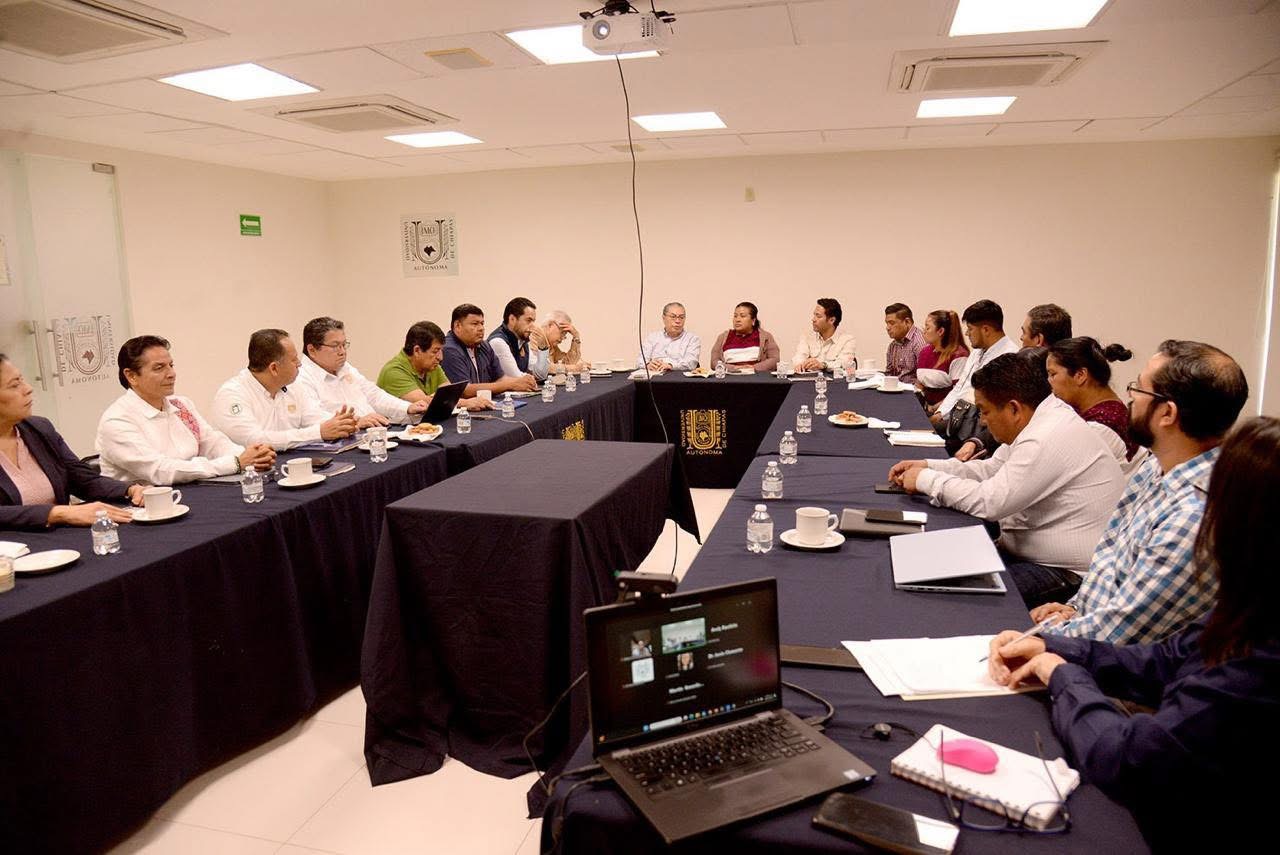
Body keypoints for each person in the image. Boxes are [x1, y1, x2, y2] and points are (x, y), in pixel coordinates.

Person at [985, 416, 1280, 852]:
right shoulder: (1255, 602)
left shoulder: (1259, 659)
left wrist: (1062, 675)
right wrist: (1051, 645)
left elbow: (1126, 760)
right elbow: (1163, 660)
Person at [1033, 340, 1249, 644]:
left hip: (1112, 664)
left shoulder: (1192, 519)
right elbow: (1110, 559)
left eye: (1138, 388)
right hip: (1089, 636)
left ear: (1167, 414)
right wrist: (1074, 609)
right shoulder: (1156, 466)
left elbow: (1115, 636)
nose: (1130, 397)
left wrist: (1035, 638)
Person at [890, 352, 1125, 607]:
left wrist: (927, 480)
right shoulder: (1040, 418)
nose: (982, 421)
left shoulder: (1045, 436)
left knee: (945, 600)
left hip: (1064, 573)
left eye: (985, 411)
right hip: (1028, 553)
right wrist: (930, 466)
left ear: (1013, 408)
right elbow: (991, 469)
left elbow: (992, 502)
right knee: (924, 563)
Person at [97, 336, 275, 485]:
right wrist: (235, 463)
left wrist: (252, 456)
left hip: (193, 489)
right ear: (131, 376)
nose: (171, 374)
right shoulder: (117, 421)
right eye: (159, 368)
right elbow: (161, 471)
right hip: (144, 507)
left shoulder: (180, 404)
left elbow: (212, 442)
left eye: (171, 365)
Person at [0, 353, 144, 529]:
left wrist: (130, 489)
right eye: (14, 385)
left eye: (22, 380)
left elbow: (83, 480)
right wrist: (58, 513)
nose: (28, 389)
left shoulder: (38, 429)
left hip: (59, 540)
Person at [212, 328, 358, 451]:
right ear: (274, 368)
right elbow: (255, 440)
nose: (299, 364)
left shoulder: (292, 385)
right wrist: (318, 433)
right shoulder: (232, 394)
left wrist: (340, 423)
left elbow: (312, 416)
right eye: (294, 359)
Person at [297, 316, 427, 428]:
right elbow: (313, 418)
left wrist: (407, 408)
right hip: (340, 443)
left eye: (344, 345)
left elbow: (374, 395)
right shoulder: (301, 378)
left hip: (372, 433)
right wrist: (356, 421)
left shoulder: (345, 368)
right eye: (335, 346)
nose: (342, 352)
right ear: (312, 350)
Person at [931, 299, 1018, 453]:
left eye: (970, 329)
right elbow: (960, 386)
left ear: (985, 330)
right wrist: (940, 412)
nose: (967, 333)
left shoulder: (1009, 356)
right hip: (959, 417)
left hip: (978, 426)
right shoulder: (977, 351)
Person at [1046, 337, 1138, 460]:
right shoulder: (1110, 410)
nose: (1049, 381)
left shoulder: (1100, 427)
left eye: (1053, 374)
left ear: (1080, 375)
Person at [376, 321, 492, 411]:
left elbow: (450, 395)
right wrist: (466, 403)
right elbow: (424, 403)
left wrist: (441, 399)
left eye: (441, 350)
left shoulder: (431, 366)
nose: (440, 357)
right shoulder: (393, 372)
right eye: (435, 351)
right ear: (417, 350)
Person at [441, 304, 537, 396]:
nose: (481, 328)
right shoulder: (449, 350)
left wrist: (522, 381)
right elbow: (465, 390)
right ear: (458, 326)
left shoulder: (484, 345)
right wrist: (510, 384)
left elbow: (501, 378)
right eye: (475, 324)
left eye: (482, 323)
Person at [915, 309, 969, 405]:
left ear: (940, 331)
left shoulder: (959, 355)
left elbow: (958, 393)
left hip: (946, 410)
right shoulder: (924, 352)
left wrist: (936, 409)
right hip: (925, 406)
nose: (924, 331)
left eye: (927, 328)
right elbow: (920, 384)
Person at [710, 302, 780, 373]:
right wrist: (733, 368)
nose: (737, 320)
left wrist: (753, 367)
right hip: (729, 378)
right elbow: (714, 362)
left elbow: (775, 360)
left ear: (753, 320)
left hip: (757, 377)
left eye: (742, 316)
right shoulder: (723, 337)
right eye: (735, 316)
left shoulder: (765, 336)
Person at [793, 298, 856, 372]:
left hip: (834, 379)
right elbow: (799, 356)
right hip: (810, 378)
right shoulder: (807, 336)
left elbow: (844, 363)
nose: (813, 319)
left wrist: (823, 365)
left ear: (832, 320)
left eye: (818, 316)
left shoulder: (847, 340)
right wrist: (800, 364)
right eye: (814, 315)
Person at [639, 302, 701, 371]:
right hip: (654, 375)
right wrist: (647, 365)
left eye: (681, 317)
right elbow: (640, 362)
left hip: (678, 376)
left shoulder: (692, 339)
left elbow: (691, 363)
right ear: (664, 318)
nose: (678, 321)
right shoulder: (652, 338)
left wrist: (671, 365)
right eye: (673, 317)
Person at [527, 310, 587, 380]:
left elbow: (568, 363)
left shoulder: (551, 344)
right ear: (550, 325)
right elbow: (544, 368)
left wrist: (576, 336)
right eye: (562, 332)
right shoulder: (534, 336)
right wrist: (574, 368)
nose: (562, 338)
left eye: (565, 334)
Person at [487, 297, 538, 378]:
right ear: (512, 319)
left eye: (533, 321)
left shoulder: (522, 341)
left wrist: (544, 348)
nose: (533, 326)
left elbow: (539, 374)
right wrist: (532, 377)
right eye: (528, 320)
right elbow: (516, 377)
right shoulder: (498, 342)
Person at [883, 303, 925, 382]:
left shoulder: (919, 343)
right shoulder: (893, 345)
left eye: (892, 323)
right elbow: (889, 374)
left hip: (912, 389)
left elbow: (924, 379)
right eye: (887, 323)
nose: (887, 328)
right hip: (896, 387)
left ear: (907, 322)